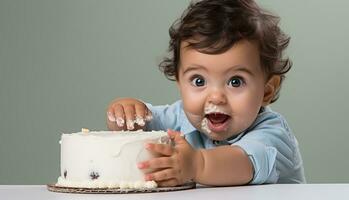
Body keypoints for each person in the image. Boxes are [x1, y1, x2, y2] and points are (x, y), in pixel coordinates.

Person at [106, 0, 305, 187]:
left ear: (267, 91)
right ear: (179, 82)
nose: (216, 97)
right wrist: (125, 115)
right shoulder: (179, 117)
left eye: (235, 82)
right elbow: (141, 125)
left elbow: (243, 164)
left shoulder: (272, 135)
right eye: (199, 81)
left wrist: (197, 164)